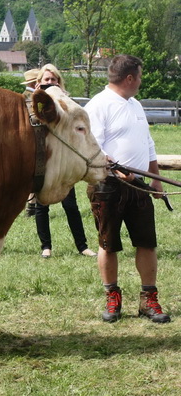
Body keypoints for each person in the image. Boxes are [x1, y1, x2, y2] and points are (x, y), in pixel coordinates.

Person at [85, 54, 170, 323]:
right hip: (108, 186)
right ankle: (112, 299)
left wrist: (155, 179)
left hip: (139, 186)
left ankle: (149, 301)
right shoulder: (98, 105)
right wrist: (115, 168)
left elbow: (148, 145)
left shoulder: (135, 105)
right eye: (140, 77)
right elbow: (92, 147)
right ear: (130, 78)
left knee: (147, 242)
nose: (141, 82)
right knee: (108, 244)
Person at [32, 64, 96, 259]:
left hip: (64, 161)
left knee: (70, 205)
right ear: (39, 82)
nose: (51, 82)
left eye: (54, 79)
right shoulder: (33, 104)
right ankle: (46, 247)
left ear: (59, 82)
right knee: (41, 205)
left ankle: (82, 246)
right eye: (47, 79)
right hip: (42, 158)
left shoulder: (68, 103)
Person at [21, 68, 40, 217]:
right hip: (35, 138)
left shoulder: (22, 96)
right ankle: (32, 205)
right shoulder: (32, 97)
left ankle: (30, 205)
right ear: (35, 83)